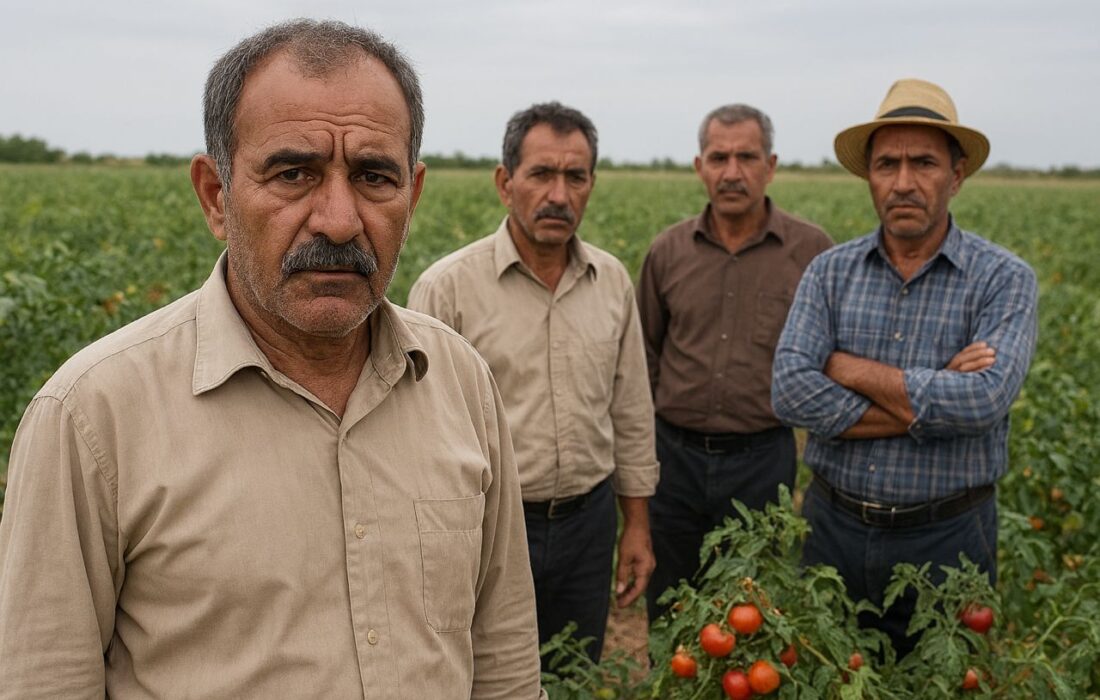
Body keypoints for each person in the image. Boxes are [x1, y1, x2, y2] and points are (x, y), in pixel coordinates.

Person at [0, 19, 543, 698]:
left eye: (375, 176)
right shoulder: (92, 415)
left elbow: (504, 662)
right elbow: (44, 681)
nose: (340, 220)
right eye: (294, 174)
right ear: (215, 196)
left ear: (414, 193)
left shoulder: (459, 381)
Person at [772, 78, 1038, 656]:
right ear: (868, 175)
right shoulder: (829, 272)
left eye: (924, 163)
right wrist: (934, 389)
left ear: (957, 173)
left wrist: (844, 367)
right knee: (828, 678)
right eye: (886, 164)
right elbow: (790, 392)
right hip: (832, 530)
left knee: (943, 683)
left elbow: (984, 400)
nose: (903, 182)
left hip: (950, 537)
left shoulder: (1003, 278)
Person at [408, 102, 658, 666]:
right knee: (485, 673)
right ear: (506, 182)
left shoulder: (612, 280)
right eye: (542, 174)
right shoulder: (448, 288)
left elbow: (632, 410)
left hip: (588, 523)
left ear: (592, 184)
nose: (559, 195)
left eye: (576, 177)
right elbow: (416, 433)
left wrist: (636, 526)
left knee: (575, 667)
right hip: (489, 529)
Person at [636, 104, 832, 623]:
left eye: (746, 157)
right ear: (700, 166)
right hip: (673, 461)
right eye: (719, 157)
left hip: (762, 457)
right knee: (672, 604)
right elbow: (647, 353)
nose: (732, 172)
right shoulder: (668, 252)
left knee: (753, 606)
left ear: (770, 166)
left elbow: (828, 357)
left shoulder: (811, 252)